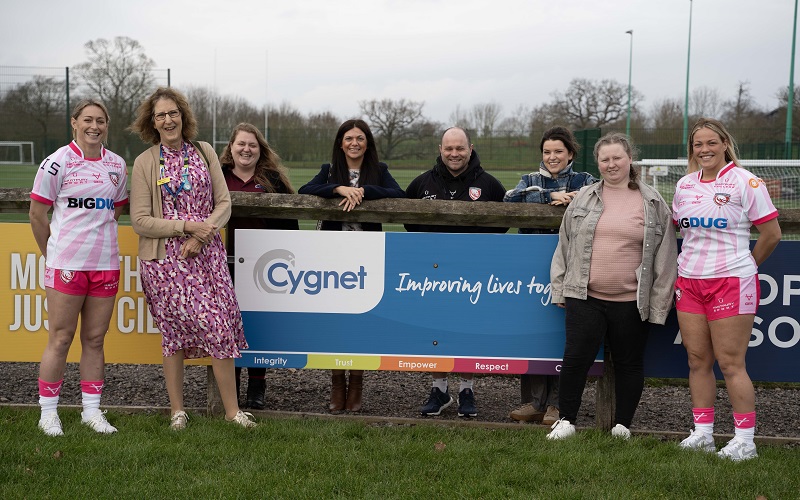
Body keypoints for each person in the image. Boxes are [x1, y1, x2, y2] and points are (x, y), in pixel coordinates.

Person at [129, 87, 255, 429]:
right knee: (173, 335)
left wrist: (204, 233)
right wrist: (187, 227)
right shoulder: (144, 162)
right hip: (164, 261)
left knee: (219, 325)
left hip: (207, 254)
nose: (168, 120)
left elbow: (224, 203)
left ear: (183, 116)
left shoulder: (204, 151)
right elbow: (139, 220)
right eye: (160, 116)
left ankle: (232, 412)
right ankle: (178, 412)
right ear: (152, 123)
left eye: (173, 113)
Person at [547, 133, 677, 440]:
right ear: (598, 163)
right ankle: (566, 421)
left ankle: (622, 426)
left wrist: (659, 303)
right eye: (604, 159)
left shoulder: (653, 203)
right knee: (576, 359)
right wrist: (560, 287)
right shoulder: (584, 197)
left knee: (629, 363)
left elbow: (665, 257)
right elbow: (564, 245)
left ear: (630, 159)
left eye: (617, 157)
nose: (611, 164)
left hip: (631, 301)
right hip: (585, 296)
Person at [673, 118, 781, 461]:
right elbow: (682, 230)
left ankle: (744, 441)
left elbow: (772, 233)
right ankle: (703, 433)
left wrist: (746, 265)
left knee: (731, 362)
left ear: (724, 144)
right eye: (697, 144)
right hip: (689, 281)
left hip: (731, 281)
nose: (704, 149)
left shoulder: (745, 181)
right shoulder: (685, 185)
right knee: (697, 360)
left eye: (711, 143)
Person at [29, 99, 128, 436]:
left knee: (95, 339)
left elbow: (115, 210)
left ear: (106, 125)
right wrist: (53, 254)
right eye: (88, 120)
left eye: (101, 121)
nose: (94, 126)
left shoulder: (117, 165)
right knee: (60, 338)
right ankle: (48, 413)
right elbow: (37, 214)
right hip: (66, 265)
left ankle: (91, 411)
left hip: (105, 265)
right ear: (74, 122)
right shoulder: (57, 162)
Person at [298, 118, 405, 413]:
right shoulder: (329, 171)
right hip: (331, 259)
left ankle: (356, 384)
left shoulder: (379, 172)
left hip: (365, 258)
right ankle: (336, 384)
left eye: (359, 138)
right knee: (335, 322)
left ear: (367, 142)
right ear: (340, 143)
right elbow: (305, 190)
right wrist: (339, 189)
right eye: (348, 138)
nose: (354, 143)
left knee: (360, 322)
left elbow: (399, 194)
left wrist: (365, 191)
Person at [405, 126, 508, 418]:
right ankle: (439, 389)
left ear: (470, 148)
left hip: (472, 275)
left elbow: (503, 222)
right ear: (440, 149)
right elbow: (406, 219)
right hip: (432, 275)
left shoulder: (488, 184)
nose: (454, 154)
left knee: (468, 330)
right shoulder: (422, 183)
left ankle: (466, 390)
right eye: (448, 148)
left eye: (460, 148)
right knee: (435, 330)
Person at [503, 126, 597, 426]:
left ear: (570, 153)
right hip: (530, 268)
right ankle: (533, 402)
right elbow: (509, 200)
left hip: (570, 265)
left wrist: (575, 199)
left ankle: (558, 405)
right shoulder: (530, 181)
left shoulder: (585, 181)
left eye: (558, 151)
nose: (552, 157)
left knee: (563, 334)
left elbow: (596, 199)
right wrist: (549, 195)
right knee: (532, 331)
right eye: (547, 152)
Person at [220, 122, 299, 410]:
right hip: (223, 266)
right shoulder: (218, 176)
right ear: (230, 147)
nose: (246, 149)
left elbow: (289, 223)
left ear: (260, 149)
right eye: (241, 144)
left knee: (257, 326)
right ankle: (231, 388)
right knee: (229, 327)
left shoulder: (272, 180)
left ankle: (257, 385)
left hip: (264, 267)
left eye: (252, 145)